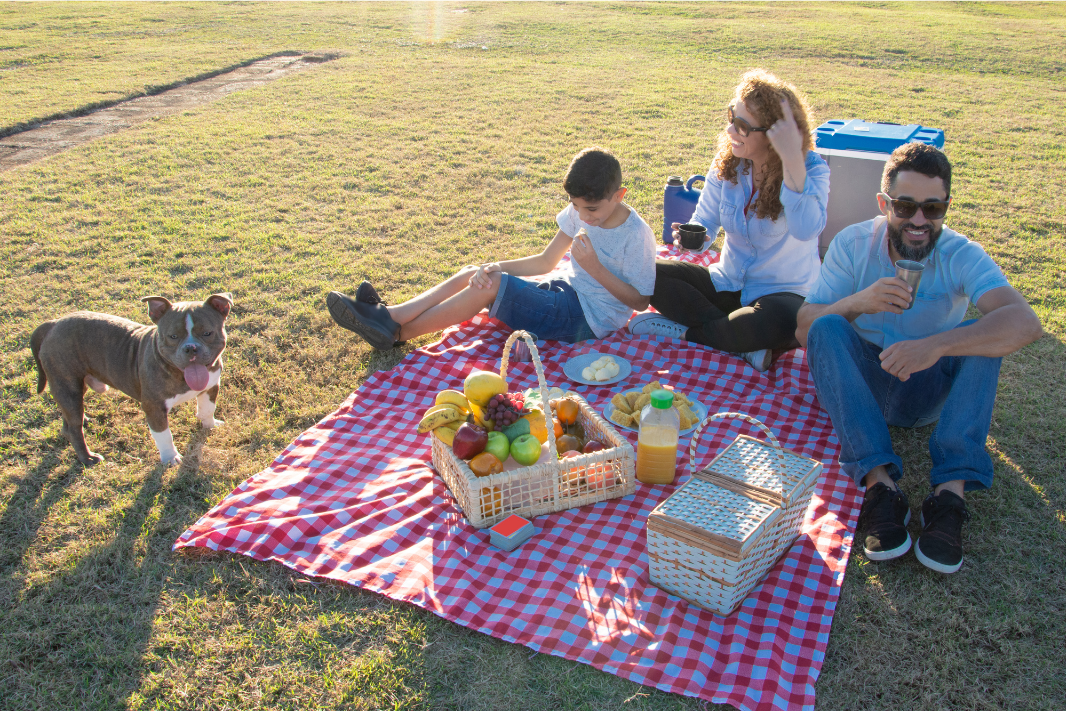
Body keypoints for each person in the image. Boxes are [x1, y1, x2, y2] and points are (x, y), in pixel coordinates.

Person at [796, 142, 1042, 574]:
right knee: (827, 326)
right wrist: (858, 302)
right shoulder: (853, 243)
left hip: (926, 389)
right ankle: (880, 486)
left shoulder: (960, 253)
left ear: (946, 207)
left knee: (984, 336)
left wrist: (937, 345)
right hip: (861, 385)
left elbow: (1025, 323)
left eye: (933, 208)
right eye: (905, 206)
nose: (919, 220)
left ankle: (949, 495)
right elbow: (804, 328)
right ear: (884, 204)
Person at [326, 147, 656, 350]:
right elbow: (546, 261)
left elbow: (641, 301)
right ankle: (391, 317)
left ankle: (395, 333)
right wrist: (496, 265)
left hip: (587, 320)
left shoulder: (636, 235)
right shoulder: (582, 209)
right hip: (565, 293)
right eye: (575, 206)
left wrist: (595, 268)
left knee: (490, 286)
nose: (582, 216)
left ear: (619, 195)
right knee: (478, 273)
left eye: (591, 209)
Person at [627, 69, 829, 372]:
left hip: (784, 296)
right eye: (732, 117)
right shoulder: (729, 162)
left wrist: (791, 162)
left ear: (774, 136)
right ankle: (739, 341)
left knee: (767, 322)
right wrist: (693, 237)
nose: (730, 130)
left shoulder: (811, 169)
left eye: (742, 126)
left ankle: (687, 332)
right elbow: (705, 221)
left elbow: (807, 229)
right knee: (644, 271)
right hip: (727, 282)